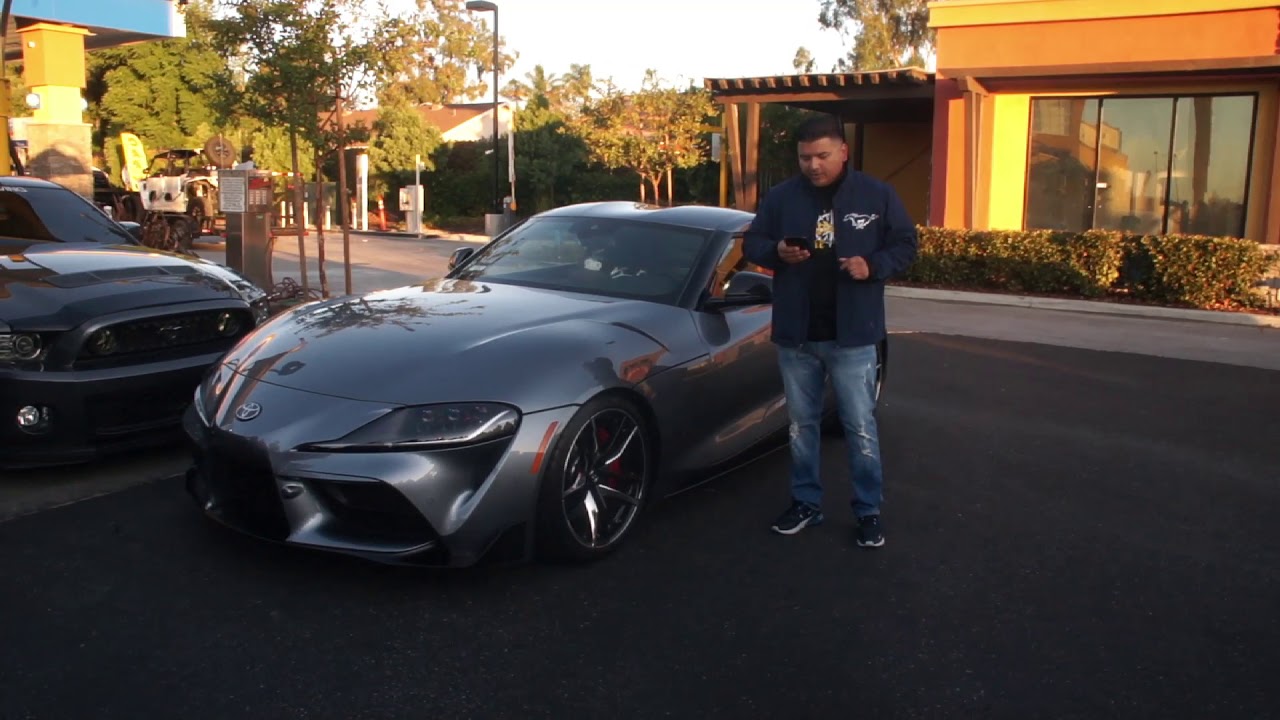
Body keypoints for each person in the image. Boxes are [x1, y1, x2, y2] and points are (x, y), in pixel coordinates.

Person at [743, 113, 918, 548]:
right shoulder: (782, 197)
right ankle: (806, 503)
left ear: (843, 151)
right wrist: (776, 251)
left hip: (853, 336)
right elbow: (753, 242)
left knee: (859, 427)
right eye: (805, 157)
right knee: (801, 427)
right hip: (797, 335)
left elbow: (905, 243)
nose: (813, 165)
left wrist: (872, 265)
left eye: (822, 155)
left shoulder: (876, 195)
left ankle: (868, 510)